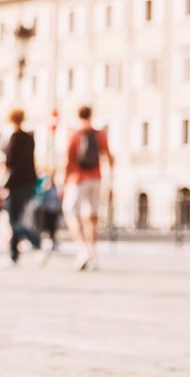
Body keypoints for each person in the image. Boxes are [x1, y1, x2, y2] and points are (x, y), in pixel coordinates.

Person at [62, 105, 114, 270]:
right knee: (91, 217)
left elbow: (67, 160)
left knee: (71, 213)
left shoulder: (75, 134)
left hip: (77, 179)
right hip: (96, 179)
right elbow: (109, 157)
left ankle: (82, 250)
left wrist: (64, 182)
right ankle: (93, 253)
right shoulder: (99, 134)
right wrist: (110, 181)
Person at [2, 108, 44, 265]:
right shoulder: (29, 137)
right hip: (29, 182)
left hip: (16, 182)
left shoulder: (14, 137)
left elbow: (9, 163)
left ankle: (36, 242)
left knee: (13, 220)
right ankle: (13, 255)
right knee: (18, 217)